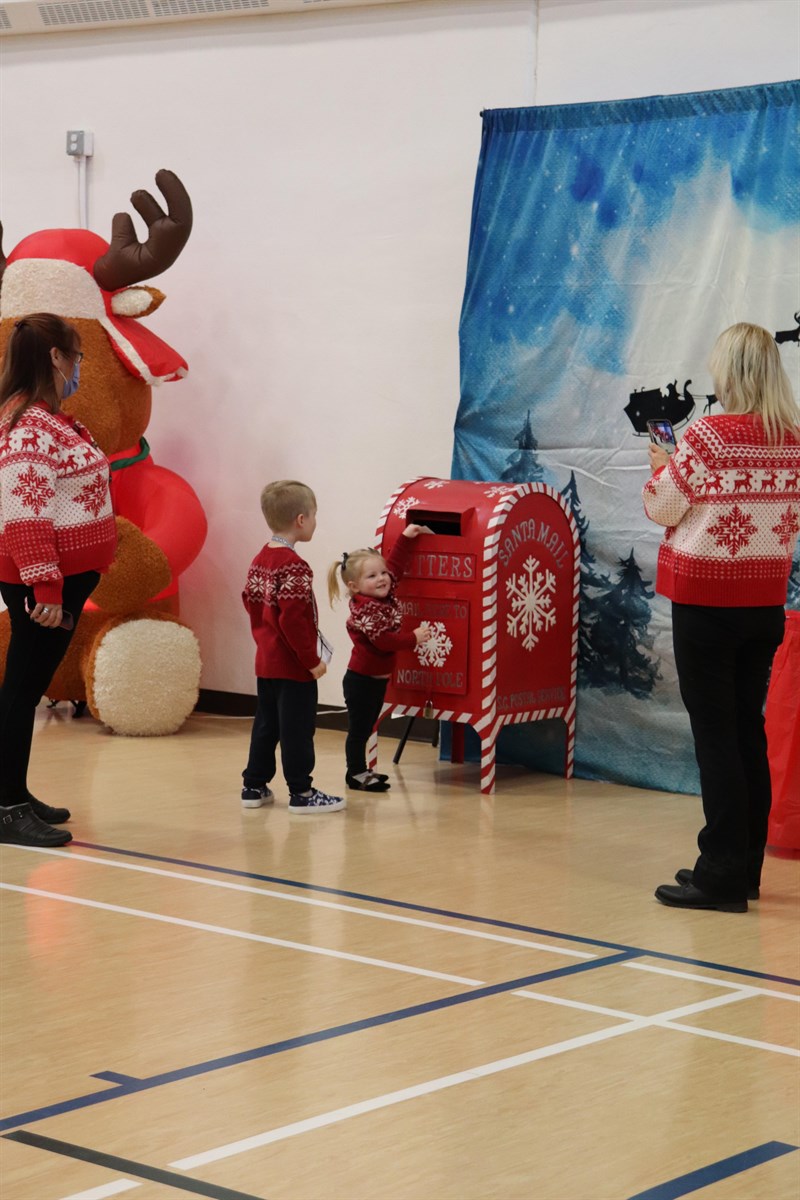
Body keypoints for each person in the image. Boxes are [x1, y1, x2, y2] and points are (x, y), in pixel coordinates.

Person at [643, 323, 800, 912]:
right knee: (744, 731)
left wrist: (660, 465)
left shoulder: (709, 434)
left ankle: (720, 871)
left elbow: (665, 504)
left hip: (707, 602)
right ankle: (745, 864)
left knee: (715, 737)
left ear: (729, 370)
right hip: (763, 604)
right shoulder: (793, 438)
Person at [0, 314, 117, 847]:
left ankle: (13, 792)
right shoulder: (28, 425)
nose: (78, 366)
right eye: (77, 355)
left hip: (63, 580)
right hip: (45, 585)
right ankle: (6, 807)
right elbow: (24, 513)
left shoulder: (50, 420)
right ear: (55, 357)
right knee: (21, 691)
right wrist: (45, 588)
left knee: (24, 689)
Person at [241, 479, 344, 814]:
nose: (315, 521)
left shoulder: (260, 559)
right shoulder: (295, 567)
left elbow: (251, 602)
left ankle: (253, 785)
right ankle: (302, 791)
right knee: (298, 728)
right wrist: (311, 660)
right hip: (292, 666)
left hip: (266, 661)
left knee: (266, 724)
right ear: (301, 520)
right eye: (314, 515)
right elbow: (293, 621)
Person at [328, 524, 431, 792]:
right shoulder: (367, 609)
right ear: (355, 586)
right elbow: (383, 641)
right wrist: (414, 638)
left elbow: (394, 566)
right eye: (373, 576)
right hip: (361, 681)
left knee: (367, 726)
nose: (383, 578)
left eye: (382, 573)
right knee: (360, 731)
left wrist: (406, 538)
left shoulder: (382, 594)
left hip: (374, 680)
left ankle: (362, 771)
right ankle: (355, 774)